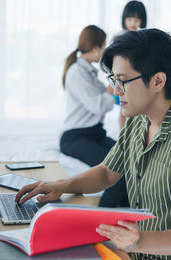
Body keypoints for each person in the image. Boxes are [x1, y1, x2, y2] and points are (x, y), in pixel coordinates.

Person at [16, 29, 171, 260]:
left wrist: (137, 242)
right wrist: (61, 186)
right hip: (136, 253)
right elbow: (107, 172)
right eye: (113, 80)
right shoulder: (138, 120)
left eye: (123, 81)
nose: (116, 91)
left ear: (158, 81)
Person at [60, 25, 129, 207]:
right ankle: (103, 216)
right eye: (104, 46)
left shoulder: (88, 72)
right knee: (118, 168)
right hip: (75, 138)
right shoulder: (77, 72)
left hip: (95, 134)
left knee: (130, 158)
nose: (105, 51)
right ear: (96, 48)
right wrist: (113, 80)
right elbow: (99, 106)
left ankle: (129, 211)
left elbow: (107, 99)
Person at [117, 1, 148, 129]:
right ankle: (122, 136)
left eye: (137, 19)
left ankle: (136, 134)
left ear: (142, 20)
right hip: (122, 79)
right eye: (129, 19)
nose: (133, 23)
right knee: (123, 109)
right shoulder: (119, 38)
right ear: (124, 20)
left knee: (139, 108)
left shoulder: (144, 38)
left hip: (137, 78)